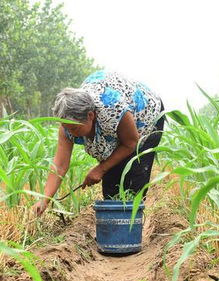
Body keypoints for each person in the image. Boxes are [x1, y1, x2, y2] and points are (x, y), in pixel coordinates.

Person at [33, 70, 165, 216]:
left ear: (90, 116)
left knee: (134, 181)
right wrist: (44, 199)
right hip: (114, 118)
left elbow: (131, 143)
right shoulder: (68, 124)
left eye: (74, 128)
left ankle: (129, 230)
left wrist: (100, 169)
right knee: (111, 187)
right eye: (66, 127)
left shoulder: (112, 109)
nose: (70, 132)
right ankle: (113, 230)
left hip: (146, 116)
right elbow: (60, 165)